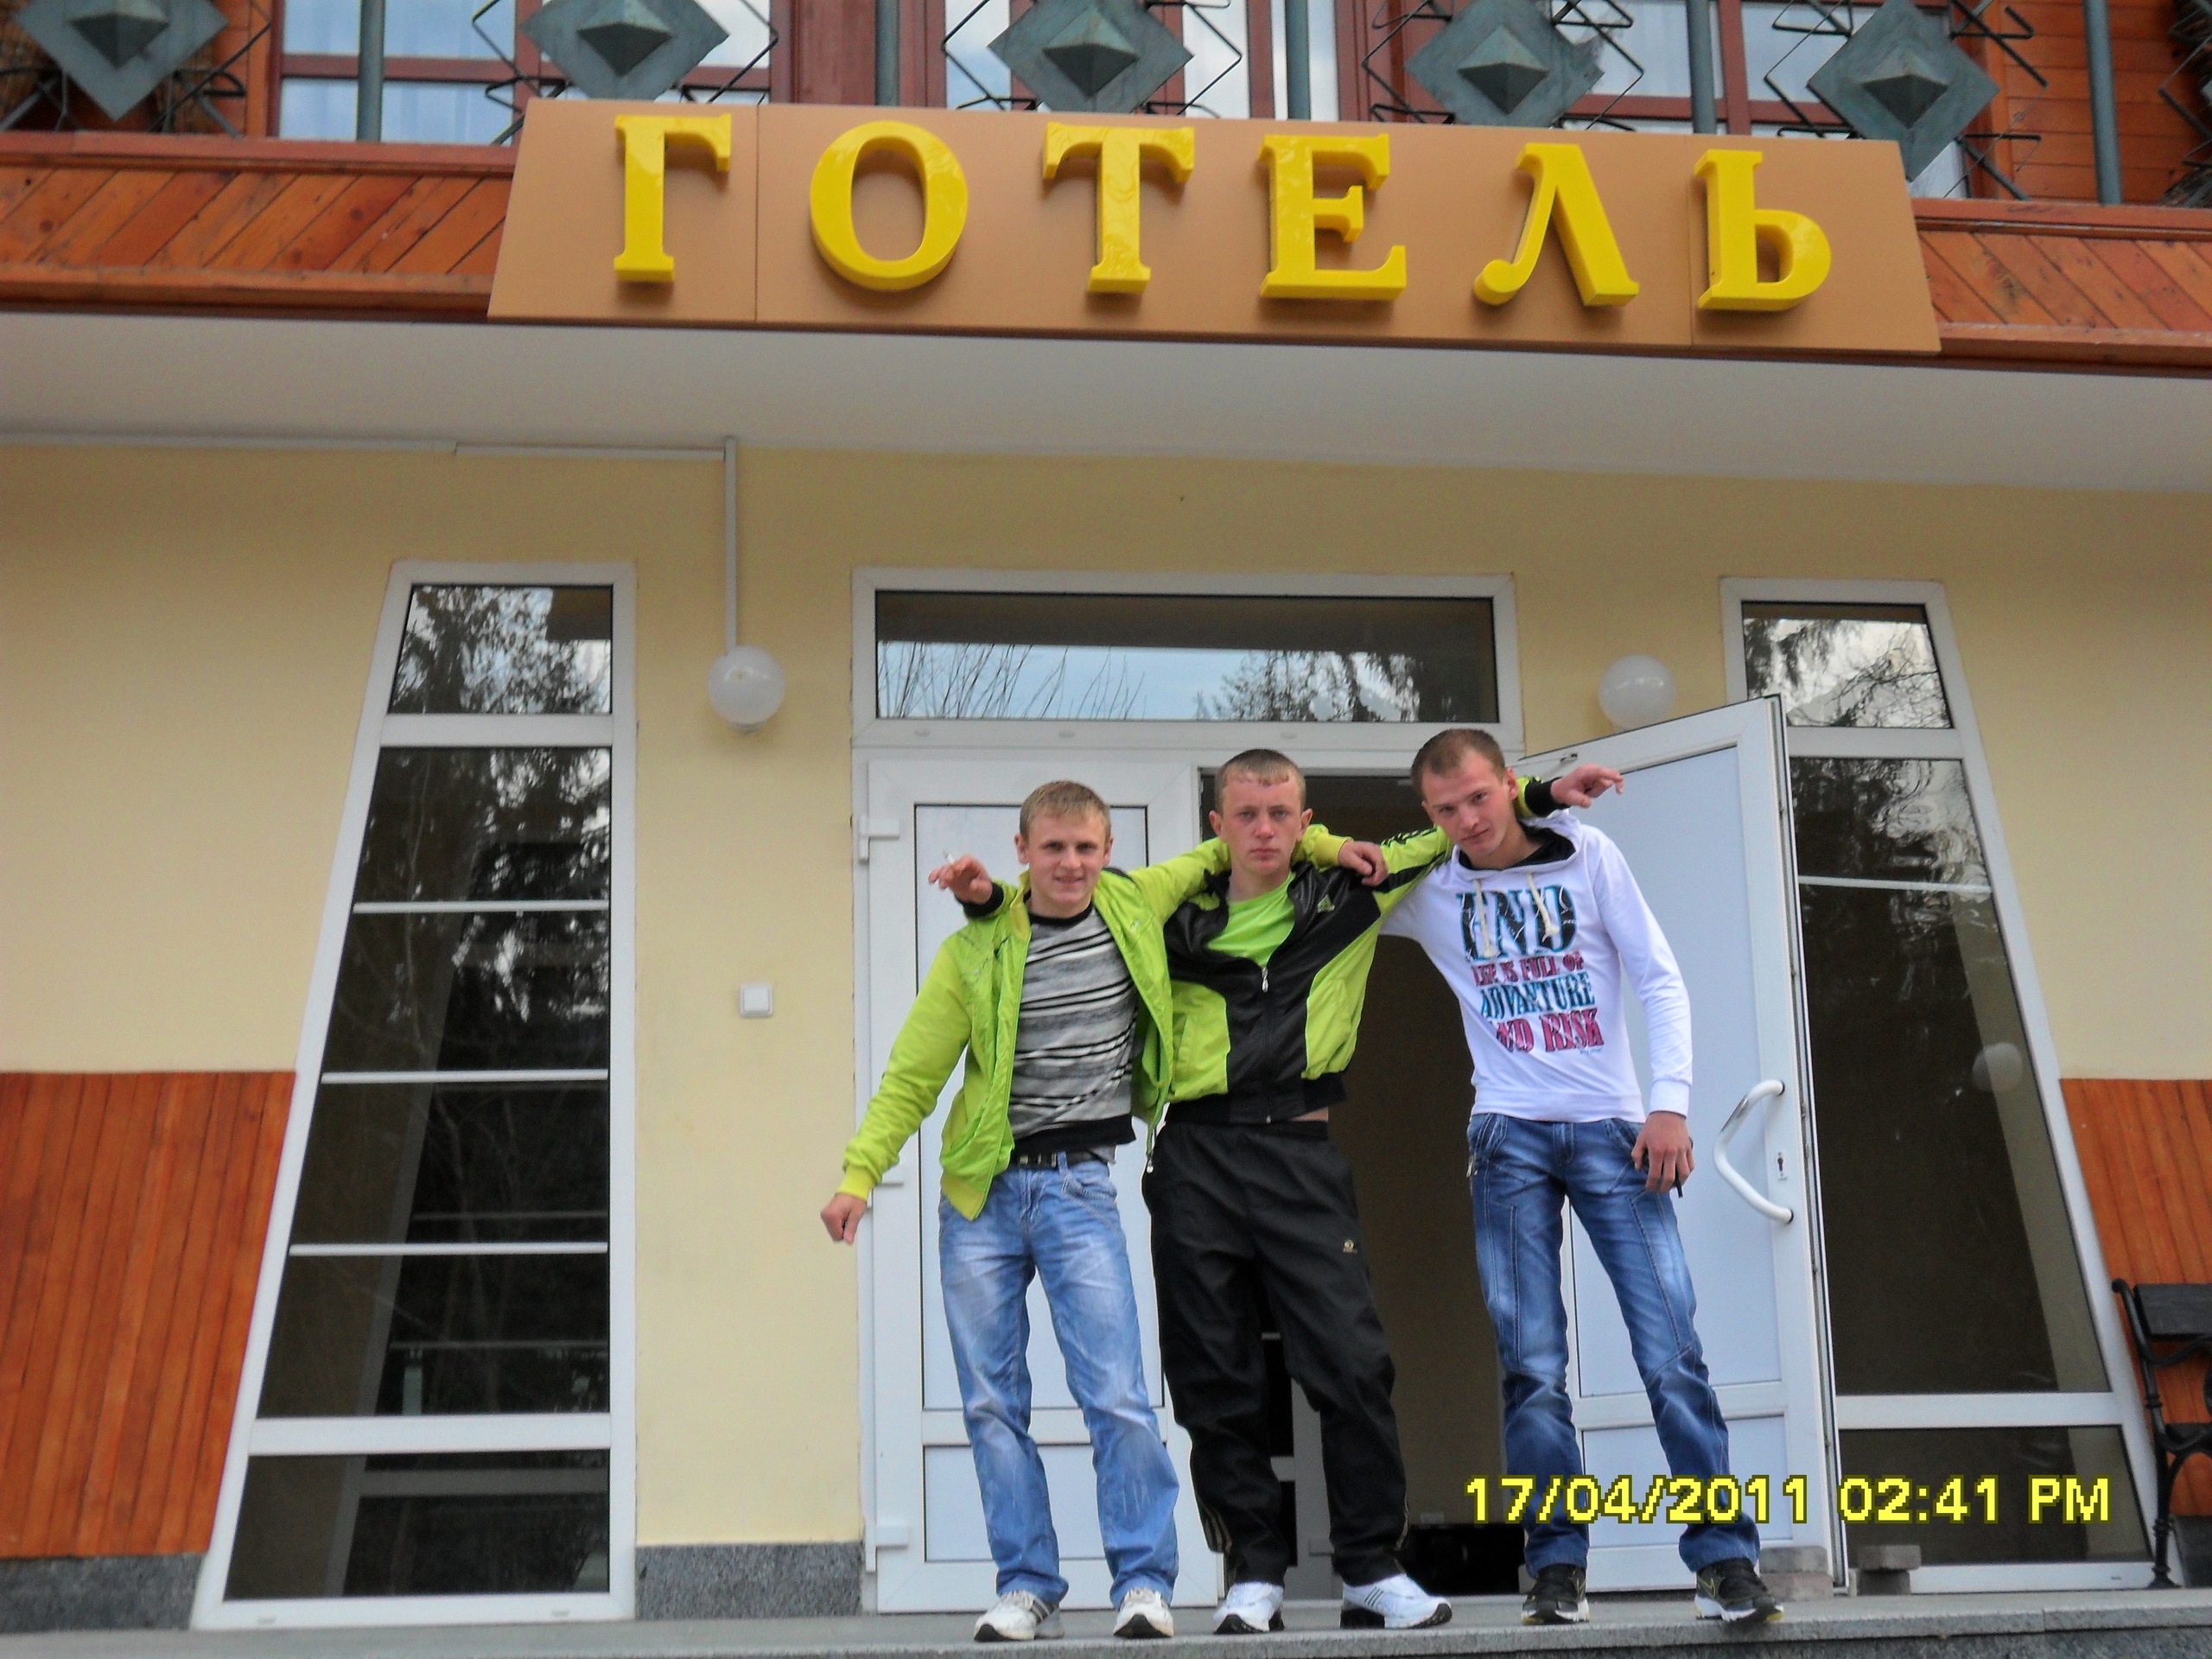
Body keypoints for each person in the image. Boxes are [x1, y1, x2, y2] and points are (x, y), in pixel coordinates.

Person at [944, 753, 1611, 1636]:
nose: (1264, 829)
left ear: (1305, 820)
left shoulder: (1351, 893)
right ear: (1216, 827)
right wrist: (983, 898)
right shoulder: (1160, 915)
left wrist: (1539, 794)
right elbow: (1062, 897)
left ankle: (1372, 1568)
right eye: (1246, 815)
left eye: (1281, 814)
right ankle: (1252, 1572)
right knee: (1213, 1374)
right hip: (1195, 1155)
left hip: (1301, 1152)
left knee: (1352, 1363)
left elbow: (1444, 829)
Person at [823, 781, 1358, 1642]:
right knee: (991, 1404)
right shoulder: (974, 951)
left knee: (1116, 1396)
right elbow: (913, 1077)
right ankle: (1026, 1584)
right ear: (1023, 852)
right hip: (980, 1199)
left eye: (1084, 849)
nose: (1069, 864)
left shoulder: (1135, 902)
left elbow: (1233, 846)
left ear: (1108, 853)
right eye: (1053, 848)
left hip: (1078, 1189)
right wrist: (860, 1175)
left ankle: (1142, 1582)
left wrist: (1327, 847)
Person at [1375, 728, 1782, 1626]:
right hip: (1506, 1138)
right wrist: (1506, 807)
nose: (1467, 820)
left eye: (1481, 797)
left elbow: (1659, 978)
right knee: (1531, 1369)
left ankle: (1723, 1560)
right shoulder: (1429, 887)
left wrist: (1669, 1104)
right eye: (1445, 810)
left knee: (1671, 1353)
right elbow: (1338, 866)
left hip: (1613, 1132)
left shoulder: (1588, 855)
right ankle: (1555, 1568)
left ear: (1508, 783)